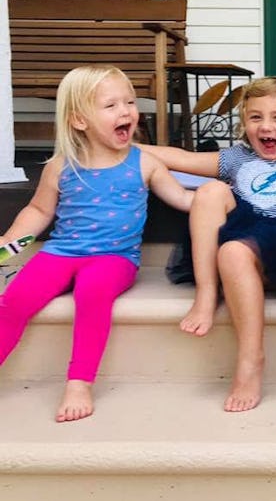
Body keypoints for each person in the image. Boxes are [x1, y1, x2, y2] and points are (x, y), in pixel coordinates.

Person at [140, 76, 276, 412]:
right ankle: (207, 295)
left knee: (235, 250)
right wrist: (121, 145)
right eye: (256, 117)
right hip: (242, 240)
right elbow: (179, 157)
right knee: (211, 193)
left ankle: (250, 361)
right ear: (245, 123)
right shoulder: (236, 159)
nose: (266, 126)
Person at [0, 65, 194, 422]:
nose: (126, 112)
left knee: (92, 294)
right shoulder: (61, 166)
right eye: (111, 106)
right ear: (79, 121)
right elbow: (39, 211)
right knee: (14, 300)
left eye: (130, 102)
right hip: (60, 253)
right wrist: (7, 245)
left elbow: (182, 199)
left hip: (114, 259)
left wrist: (219, 198)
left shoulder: (145, 163)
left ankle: (79, 382)